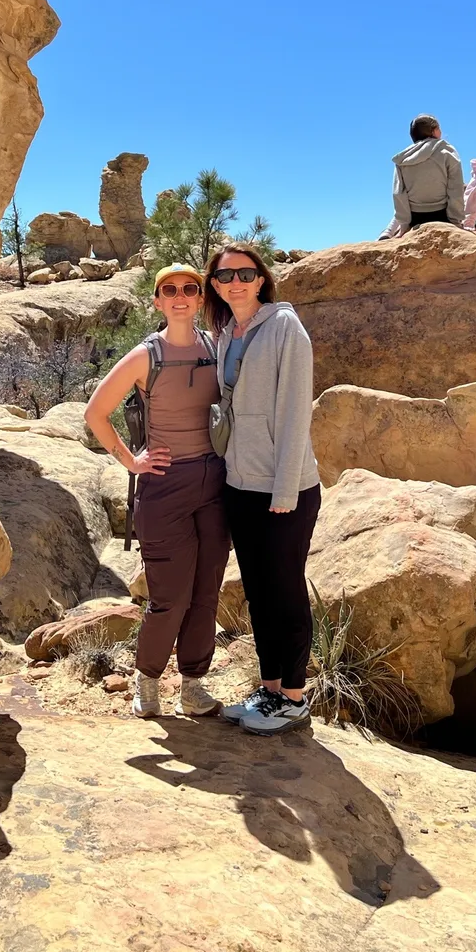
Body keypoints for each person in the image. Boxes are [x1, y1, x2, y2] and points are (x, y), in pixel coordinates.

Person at [84, 264, 229, 719]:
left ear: (201, 297)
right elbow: (96, 413)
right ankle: (146, 683)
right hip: (165, 487)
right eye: (170, 290)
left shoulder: (216, 347)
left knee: (206, 593)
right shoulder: (146, 356)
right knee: (170, 598)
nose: (181, 296)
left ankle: (193, 686)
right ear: (158, 301)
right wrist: (132, 460)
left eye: (190, 288)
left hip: (215, 482)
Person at [203, 243, 321, 736]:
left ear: (261, 279)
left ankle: (293, 697)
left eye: (245, 274)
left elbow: (296, 411)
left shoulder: (285, 328)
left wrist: (285, 489)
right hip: (240, 482)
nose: (236, 282)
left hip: (283, 487)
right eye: (225, 275)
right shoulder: (227, 332)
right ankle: (269, 688)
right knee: (258, 593)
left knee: (286, 592)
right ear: (214, 284)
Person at [383, 113, 465, 238]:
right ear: (434, 131)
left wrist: (405, 225)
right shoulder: (447, 151)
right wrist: (456, 221)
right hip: (443, 215)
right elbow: (455, 188)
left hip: (416, 217)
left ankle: (387, 233)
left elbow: (399, 193)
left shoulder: (403, 158)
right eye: (439, 128)